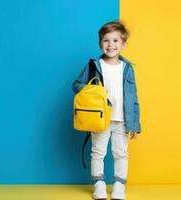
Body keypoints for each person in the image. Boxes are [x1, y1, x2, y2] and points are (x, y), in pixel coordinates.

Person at [72, 21, 141, 200]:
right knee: (98, 152)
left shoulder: (127, 69)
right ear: (100, 43)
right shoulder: (95, 65)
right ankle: (99, 185)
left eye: (115, 40)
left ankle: (119, 186)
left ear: (123, 44)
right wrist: (95, 91)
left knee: (121, 153)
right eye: (106, 40)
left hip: (122, 120)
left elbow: (133, 98)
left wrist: (134, 124)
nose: (111, 45)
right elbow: (77, 85)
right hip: (99, 119)